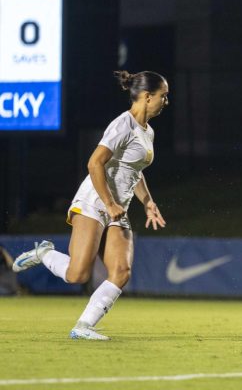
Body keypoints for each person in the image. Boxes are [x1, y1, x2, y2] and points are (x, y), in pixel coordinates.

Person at [12, 70, 169, 340]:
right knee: (77, 274)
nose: (166, 101)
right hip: (96, 202)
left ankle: (83, 326)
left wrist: (148, 202)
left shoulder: (148, 132)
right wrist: (108, 203)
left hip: (118, 208)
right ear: (146, 96)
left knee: (121, 271)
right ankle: (45, 254)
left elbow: (135, 170)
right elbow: (94, 162)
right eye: (163, 96)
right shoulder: (123, 125)